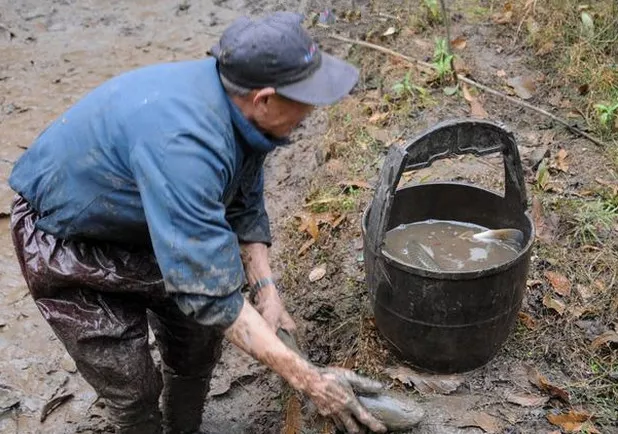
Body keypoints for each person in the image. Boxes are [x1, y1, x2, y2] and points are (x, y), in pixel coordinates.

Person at [8, 11, 387, 434]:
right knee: (132, 386)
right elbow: (212, 297)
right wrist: (311, 380)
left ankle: (184, 426)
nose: (313, 111)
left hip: (157, 224)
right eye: (306, 99)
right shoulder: (186, 145)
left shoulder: (237, 102)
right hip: (73, 244)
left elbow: (243, 198)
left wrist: (266, 291)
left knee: (197, 347)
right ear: (264, 98)